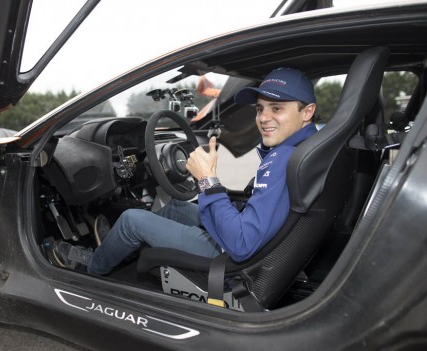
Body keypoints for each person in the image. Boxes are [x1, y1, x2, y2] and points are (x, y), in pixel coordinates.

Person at [51, 67, 318, 275]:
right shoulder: (306, 148)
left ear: (307, 112)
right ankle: (121, 248)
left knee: (132, 219)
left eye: (277, 108)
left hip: (232, 257)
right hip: (254, 240)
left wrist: (207, 179)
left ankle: (93, 267)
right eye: (260, 108)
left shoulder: (282, 159)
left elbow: (241, 243)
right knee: (174, 208)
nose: (262, 118)